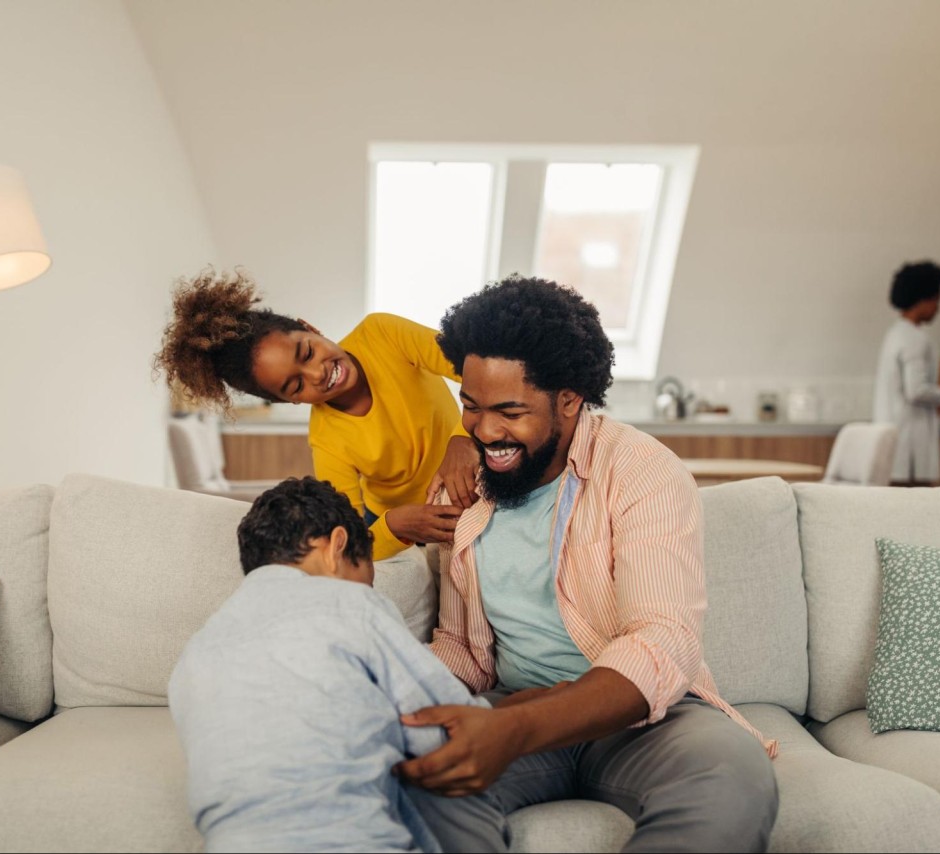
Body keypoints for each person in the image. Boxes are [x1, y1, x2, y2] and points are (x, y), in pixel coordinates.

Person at [396, 275, 779, 853]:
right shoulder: (464, 486)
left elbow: (663, 640)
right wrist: (390, 698)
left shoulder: (642, 470)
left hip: (640, 721)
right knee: (411, 782)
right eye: (470, 407)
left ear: (569, 398)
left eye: (509, 411)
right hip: (514, 707)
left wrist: (515, 728)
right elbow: (463, 650)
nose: (484, 430)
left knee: (732, 774)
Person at [167, 476, 492, 853]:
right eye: (364, 578)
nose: (364, 591)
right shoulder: (348, 604)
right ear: (337, 545)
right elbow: (447, 728)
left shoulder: (196, 652)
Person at [155, 267, 479, 560]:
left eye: (307, 352)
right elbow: (348, 542)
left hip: (463, 467)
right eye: (296, 386)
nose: (316, 375)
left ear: (311, 328)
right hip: (392, 516)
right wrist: (395, 526)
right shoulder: (326, 440)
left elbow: (476, 369)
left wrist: (462, 439)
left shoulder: (383, 334)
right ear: (288, 402)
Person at [872, 260, 940, 485]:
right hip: (909, 447)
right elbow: (916, 390)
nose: (939, 307)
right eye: (937, 300)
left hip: (894, 440)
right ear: (924, 299)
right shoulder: (915, 339)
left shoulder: (895, 334)